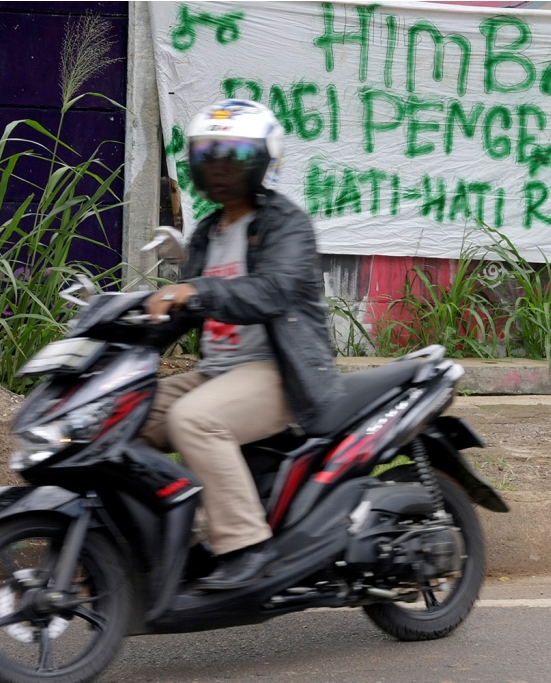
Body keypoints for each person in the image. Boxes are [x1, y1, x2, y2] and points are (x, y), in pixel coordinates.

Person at [141, 99, 344, 591]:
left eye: (233, 157)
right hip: (219, 372)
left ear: (262, 162)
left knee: (196, 419)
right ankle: (166, 542)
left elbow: (273, 290)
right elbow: (185, 310)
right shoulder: (210, 231)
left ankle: (247, 547)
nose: (220, 169)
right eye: (209, 158)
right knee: (124, 414)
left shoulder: (285, 223)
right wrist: (126, 324)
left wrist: (196, 290)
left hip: (279, 372)